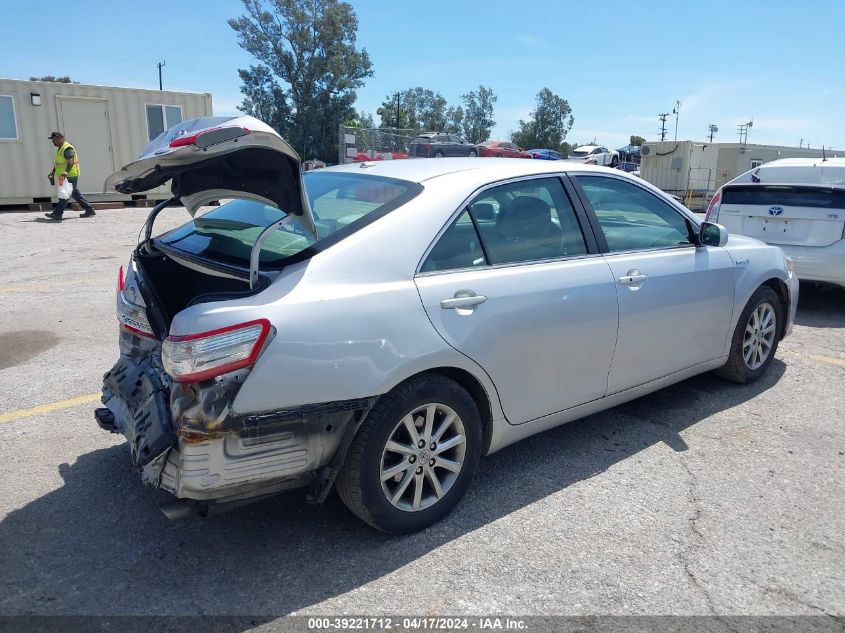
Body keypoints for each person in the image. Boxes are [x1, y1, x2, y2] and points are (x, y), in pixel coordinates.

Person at [44, 132, 96, 221]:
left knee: (65, 194)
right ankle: (89, 209)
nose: (52, 141)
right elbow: (59, 163)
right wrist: (53, 172)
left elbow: (71, 161)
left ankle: (57, 213)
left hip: (70, 175)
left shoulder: (67, 148)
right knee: (74, 193)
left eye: (53, 139)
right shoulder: (60, 148)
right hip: (65, 175)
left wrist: (66, 172)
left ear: (59, 138)